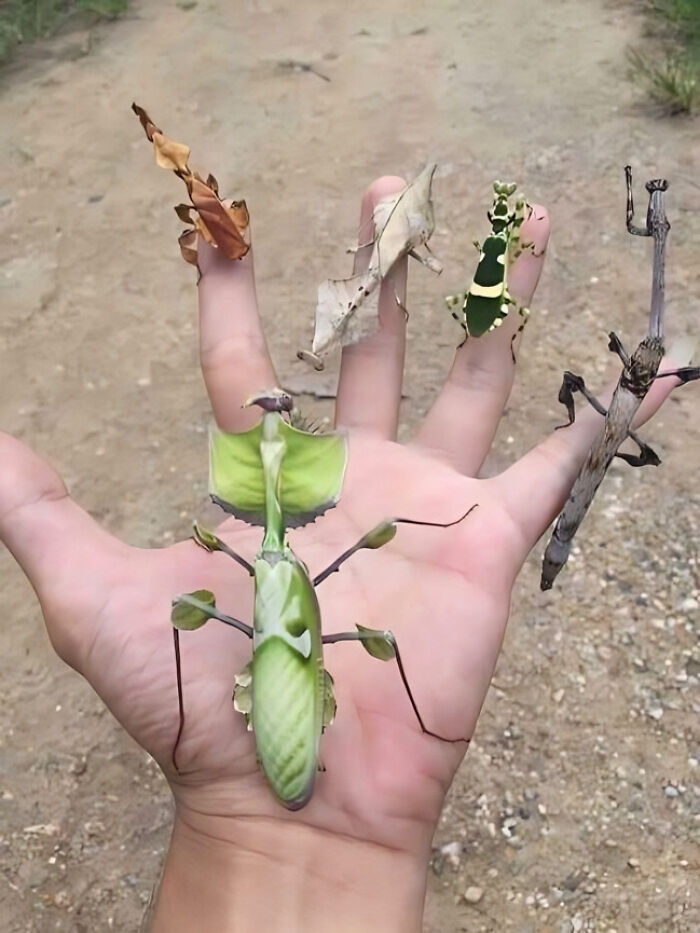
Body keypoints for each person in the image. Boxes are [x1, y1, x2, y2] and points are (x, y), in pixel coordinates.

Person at [0, 177, 682, 932]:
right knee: (344, 609)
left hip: (279, 702)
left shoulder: (267, 546)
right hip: (283, 713)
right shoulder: (285, 546)